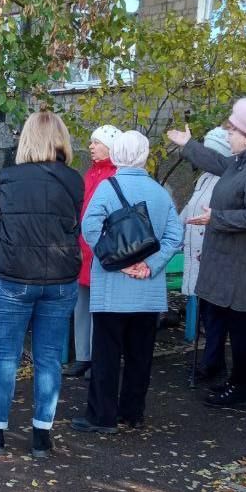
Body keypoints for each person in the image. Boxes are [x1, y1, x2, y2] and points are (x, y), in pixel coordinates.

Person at [166, 97, 246, 407]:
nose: (228, 136)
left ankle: (241, 386)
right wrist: (188, 145)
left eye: (232, 130)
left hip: (244, 262)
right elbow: (220, 165)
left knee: (241, 325)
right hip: (231, 259)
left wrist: (216, 218)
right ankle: (222, 371)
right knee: (224, 317)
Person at [0, 111, 83, 459]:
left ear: (26, 140)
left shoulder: (8, 177)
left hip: (13, 277)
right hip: (61, 279)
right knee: (49, 359)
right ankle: (41, 437)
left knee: (5, 356)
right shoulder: (74, 180)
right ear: (61, 139)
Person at [71, 131, 183, 434]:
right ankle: (133, 413)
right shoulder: (160, 192)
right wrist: (149, 265)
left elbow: (89, 226)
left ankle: (101, 416)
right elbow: (175, 235)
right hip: (148, 292)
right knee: (140, 356)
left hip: (111, 289)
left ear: (117, 154)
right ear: (144, 155)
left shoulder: (108, 188)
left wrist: (114, 259)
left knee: (106, 355)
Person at [63, 124, 120, 379]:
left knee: (100, 307)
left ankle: (98, 358)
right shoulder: (91, 173)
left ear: (110, 146)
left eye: (96, 142)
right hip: (83, 249)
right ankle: (83, 356)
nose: (91, 146)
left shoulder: (115, 175)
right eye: (91, 142)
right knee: (81, 305)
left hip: (102, 250)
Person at [179, 126, 232, 382]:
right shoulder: (206, 178)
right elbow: (190, 211)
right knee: (207, 312)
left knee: (214, 315)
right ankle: (213, 363)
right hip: (197, 254)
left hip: (210, 257)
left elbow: (218, 219)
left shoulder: (225, 182)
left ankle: (213, 364)